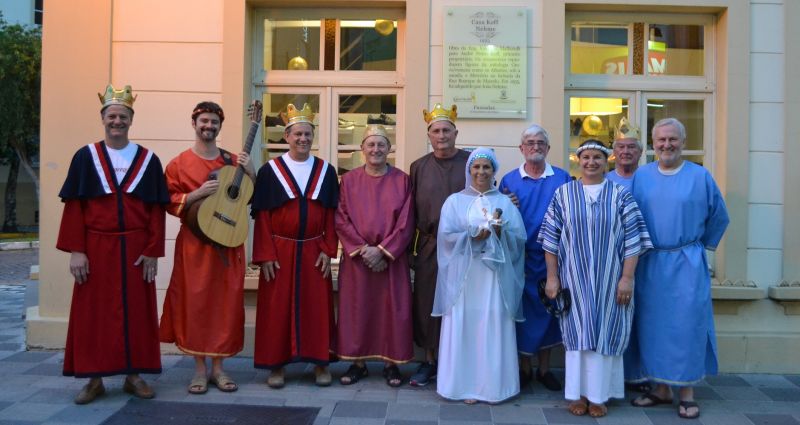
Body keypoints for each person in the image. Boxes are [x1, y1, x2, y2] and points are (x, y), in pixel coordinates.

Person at [57, 85, 169, 404]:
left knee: (137, 312)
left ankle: (134, 376)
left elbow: (155, 211)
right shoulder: (85, 157)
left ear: (131, 120)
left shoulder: (147, 160)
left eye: (123, 116)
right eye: (112, 116)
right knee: (92, 313)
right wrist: (77, 251)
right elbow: (75, 207)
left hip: (135, 249)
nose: (117, 121)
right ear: (102, 118)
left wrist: (152, 251)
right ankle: (94, 379)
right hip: (95, 248)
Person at [538, 139, 652, 418]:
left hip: (610, 281)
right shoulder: (564, 194)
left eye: (597, 157)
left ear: (607, 160)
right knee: (577, 336)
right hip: (572, 280)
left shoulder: (620, 195)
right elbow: (550, 240)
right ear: (578, 160)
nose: (591, 162)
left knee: (605, 334)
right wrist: (552, 278)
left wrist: (627, 278)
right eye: (586, 157)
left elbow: (633, 241)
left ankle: (600, 396)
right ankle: (578, 395)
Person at [626, 118, 729, 420]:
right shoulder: (642, 177)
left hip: (686, 262)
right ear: (652, 144)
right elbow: (629, 216)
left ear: (683, 142)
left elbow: (719, 216)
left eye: (672, 139)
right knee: (653, 325)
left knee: (686, 326)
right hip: (650, 262)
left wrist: (699, 249)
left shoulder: (700, 176)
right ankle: (660, 389)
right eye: (661, 140)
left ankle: (686, 392)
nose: (667, 145)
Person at [159, 101, 254, 395]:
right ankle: (199, 370)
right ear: (194, 123)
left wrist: (252, 171)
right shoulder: (178, 163)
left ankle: (220, 368)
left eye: (214, 122)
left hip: (227, 246)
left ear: (219, 126)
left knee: (225, 306)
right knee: (196, 305)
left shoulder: (230, 161)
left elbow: (246, 199)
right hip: (195, 246)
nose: (208, 126)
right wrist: (196, 194)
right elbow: (167, 200)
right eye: (204, 121)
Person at [251, 103, 339, 388]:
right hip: (280, 251)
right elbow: (262, 216)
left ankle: (320, 363)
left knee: (317, 307)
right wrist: (265, 254)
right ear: (287, 136)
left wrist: (328, 249)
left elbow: (330, 215)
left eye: (307, 134)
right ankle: (276, 365)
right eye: (297, 134)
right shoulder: (270, 171)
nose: (303, 139)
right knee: (276, 309)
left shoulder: (325, 171)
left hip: (314, 249)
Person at [433, 147, 527, 404]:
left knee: (491, 325)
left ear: (494, 171)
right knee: (466, 325)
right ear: (469, 170)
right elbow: (446, 238)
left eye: (487, 167)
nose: (481, 172)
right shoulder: (454, 202)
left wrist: (500, 233)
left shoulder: (505, 203)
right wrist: (472, 235)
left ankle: (493, 386)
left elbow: (519, 240)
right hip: (465, 277)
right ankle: (463, 386)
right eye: (477, 167)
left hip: (493, 278)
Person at [335, 125, 415, 387]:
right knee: (357, 311)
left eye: (381, 145)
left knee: (391, 311)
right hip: (358, 259)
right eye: (370, 145)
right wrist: (363, 249)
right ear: (362, 149)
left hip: (391, 259)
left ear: (389, 149)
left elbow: (406, 222)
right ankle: (357, 363)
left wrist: (383, 251)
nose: (376, 149)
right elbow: (341, 218)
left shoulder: (402, 180)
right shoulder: (348, 181)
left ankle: (391, 364)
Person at [499, 124, 571, 392]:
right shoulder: (509, 180)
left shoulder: (562, 178)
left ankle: (544, 369)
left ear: (548, 148)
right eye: (529, 142)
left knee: (550, 312)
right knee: (522, 312)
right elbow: (500, 217)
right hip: (520, 258)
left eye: (540, 142)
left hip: (553, 258)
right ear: (521, 148)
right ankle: (524, 368)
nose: (535, 146)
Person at [408, 103, 471, 387]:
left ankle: (458, 359)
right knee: (426, 304)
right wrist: (412, 251)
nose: (442, 135)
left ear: (456, 132)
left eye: (447, 130)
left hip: (466, 246)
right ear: (429, 135)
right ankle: (430, 361)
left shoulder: (471, 162)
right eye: (436, 130)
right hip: (430, 246)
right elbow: (410, 210)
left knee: (462, 302)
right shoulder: (418, 167)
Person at [607, 117, 643, 191]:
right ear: (614, 151)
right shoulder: (604, 181)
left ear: (640, 151)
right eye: (621, 147)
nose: (626, 151)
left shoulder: (650, 180)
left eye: (631, 147)